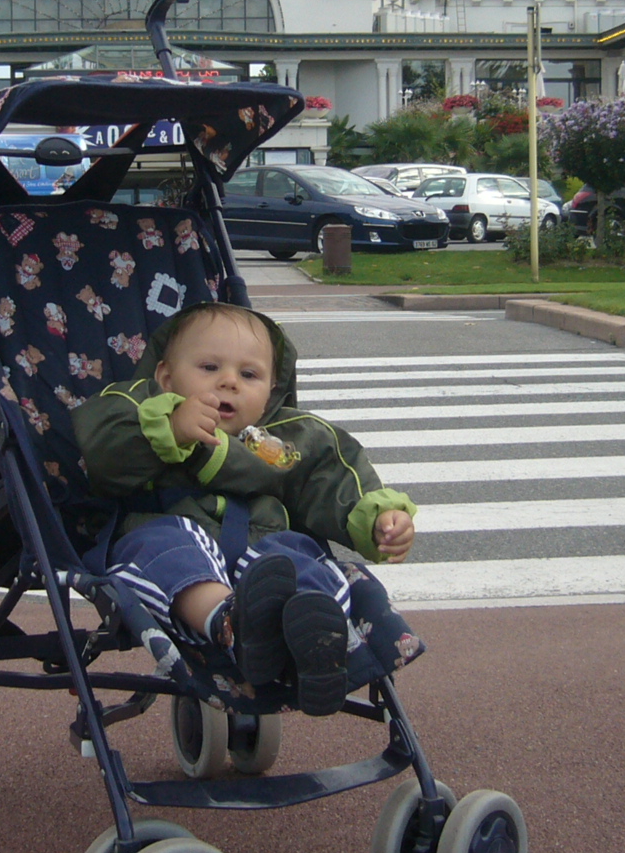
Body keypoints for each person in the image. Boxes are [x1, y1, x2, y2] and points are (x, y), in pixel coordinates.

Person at [72, 301, 416, 715]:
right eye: (209, 367)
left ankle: (314, 640)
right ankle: (230, 622)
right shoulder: (142, 409)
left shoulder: (285, 440)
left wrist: (378, 517)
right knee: (166, 548)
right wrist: (171, 429)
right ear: (165, 376)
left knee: (300, 556)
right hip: (172, 529)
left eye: (249, 375)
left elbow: (333, 479)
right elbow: (101, 449)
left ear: (271, 390)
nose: (229, 382)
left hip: (262, 543)